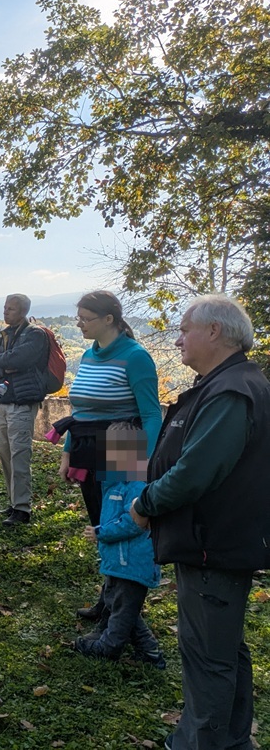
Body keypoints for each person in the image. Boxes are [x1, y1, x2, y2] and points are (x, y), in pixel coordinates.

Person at [130, 295, 270, 749]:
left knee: (208, 653)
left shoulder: (231, 390)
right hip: (217, 540)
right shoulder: (230, 382)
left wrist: (146, 504)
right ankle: (231, 738)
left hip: (215, 542)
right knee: (222, 647)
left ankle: (201, 742)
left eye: (186, 328)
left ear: (214, 332)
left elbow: (196, 472)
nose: (178, 338)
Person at [57, 291, 161, 620]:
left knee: (120, 527)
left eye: (85, 319)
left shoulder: (135, 356)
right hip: (87, 446)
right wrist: (67, 452)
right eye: (79, 318)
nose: (80, 324)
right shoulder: (89, 355)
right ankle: (109, 598)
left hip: (123, 444)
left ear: (108, 320)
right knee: (101, 523)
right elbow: (80, 410)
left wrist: (148, 462)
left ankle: (122, 609)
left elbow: (151, 415)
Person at [72, 422, 164, 669]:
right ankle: (149, 650)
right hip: (118, 561)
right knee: (118, 604)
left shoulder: (135, 485)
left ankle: (109, 647)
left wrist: (101, 533)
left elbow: (134, 523)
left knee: (123, 608)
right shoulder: (114, 484)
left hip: (132, 561)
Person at [0, 293, 49, 526]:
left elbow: (20, 359)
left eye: (11, 309)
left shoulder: (35, 334)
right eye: (5, 308)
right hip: (4, 402)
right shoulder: (5, 334)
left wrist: (6, 363)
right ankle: (13, 502)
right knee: (4, 453)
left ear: (23, 312)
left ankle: (22, 508)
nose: (6, 312)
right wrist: (7, 365)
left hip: (22, 402)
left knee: (19, 454)